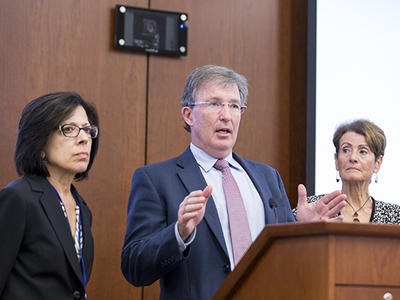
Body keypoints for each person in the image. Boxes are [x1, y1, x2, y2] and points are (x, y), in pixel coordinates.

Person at [121, 65, 346, 300]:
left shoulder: (268, 178)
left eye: (234, 106)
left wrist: (302, 232)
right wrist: (178, 233)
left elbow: (287, 263)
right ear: (188, 115)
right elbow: (134, 268)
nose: (226, 115)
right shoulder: (156, 179)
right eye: (215, 104)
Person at [0, 92, 99, 300]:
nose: (84, 139)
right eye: (69, 129)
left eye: (87, 130)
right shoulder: (19, 198)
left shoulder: (82, 207)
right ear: (40, 144)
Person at [297, 119, 400, 224]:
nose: (353, 158)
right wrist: (302, 227)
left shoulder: (396, 216)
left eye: (363, 151)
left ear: (377, 163)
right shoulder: (313, 208)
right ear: (336, 160)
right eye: (346, 150)